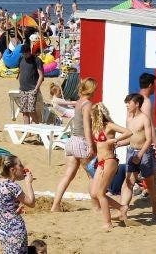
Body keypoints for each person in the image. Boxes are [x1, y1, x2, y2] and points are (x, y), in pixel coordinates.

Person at [51, 77, 97, 212]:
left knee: (67, 176)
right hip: (81, 141)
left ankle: (55, 205)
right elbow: (87, 127)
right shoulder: (87, 104)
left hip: (71, 141)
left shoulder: (79, 103)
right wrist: (90, 145)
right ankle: (96, 206)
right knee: (92, 175)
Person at [88, 102, 132, 229]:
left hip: (109, 161)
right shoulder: (96, 127)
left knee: (101, 193)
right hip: (101, 162)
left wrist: (115, 141)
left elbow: (128, 132)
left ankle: (107, 223)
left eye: (93, 114)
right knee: (94, 193)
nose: (91, 117)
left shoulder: (109, 126)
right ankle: (122, 208)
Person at [120, 92, 156, 221]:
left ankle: (155, 209)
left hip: (145, 152)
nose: (127, 105)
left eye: (129, 103)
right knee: (129, 182)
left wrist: (140, 155)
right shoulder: (129, 119)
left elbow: (148, 140)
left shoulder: (145, 118)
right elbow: (129, 138)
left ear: (137, 104)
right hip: (131, 151)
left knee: (150, 182)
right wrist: (117, 143)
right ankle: (123, 210)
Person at [0, 154, 36, 254]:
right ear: (13, 170)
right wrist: (28, 183)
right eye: (20, 165)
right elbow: (32, 203)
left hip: (1, 229)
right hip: (14, 230)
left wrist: (15, 210)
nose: (23, 168)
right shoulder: (13, 186)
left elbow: (3, 205)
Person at [16, 42, 43, 124]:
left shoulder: (36, 60)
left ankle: (38, 127)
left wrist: (36, 89)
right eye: (23, 53)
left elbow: (41, 76)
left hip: (32, 89)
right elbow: (20, 70)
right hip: (23, 89)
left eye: (25, 53)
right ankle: (27, 131)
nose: (24, 55)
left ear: (29, 52)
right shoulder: (21, 58)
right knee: (24, 111)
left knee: (31, 111)